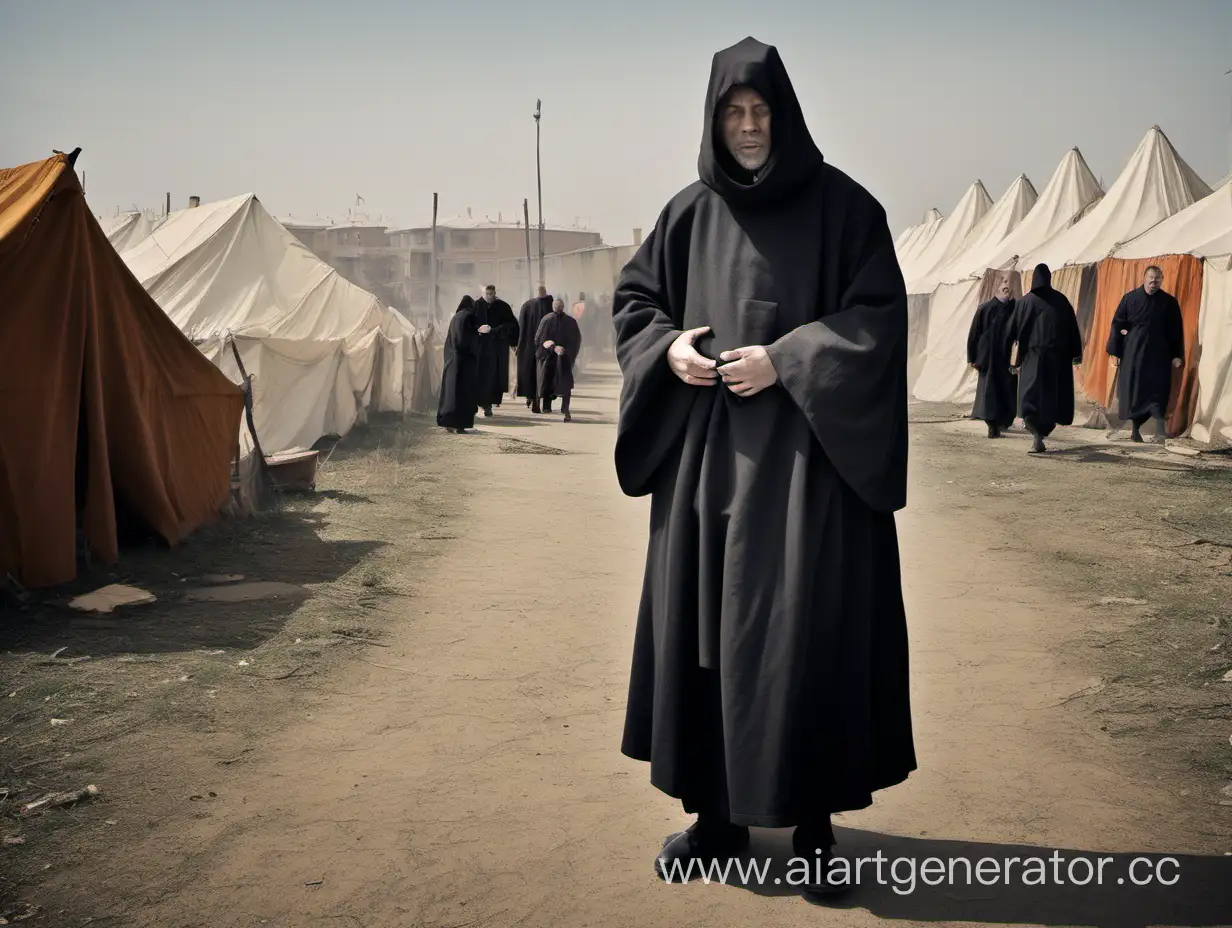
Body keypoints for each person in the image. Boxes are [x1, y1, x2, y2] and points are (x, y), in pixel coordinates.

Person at [611, 37, 915, 894]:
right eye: (733, 114)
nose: (748, 127)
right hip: (706, 468)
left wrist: (787, 359)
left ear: (784, 117)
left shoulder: (847, 211)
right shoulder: (686, 214)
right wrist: (667, 350)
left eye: (760, 112)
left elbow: (878, 320)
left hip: (810, 473)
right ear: (715, 121)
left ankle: (813, 825)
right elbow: (635, 304)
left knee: (805, 633)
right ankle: (715, 821)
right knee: (707, 636)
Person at [1004, 264, 1083, 454]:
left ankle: (1035, 435)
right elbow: (1072, 329)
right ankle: (1041, 434)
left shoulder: (1024, 302)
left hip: (1032, 357)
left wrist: (1010, 356)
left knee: (1031, 396)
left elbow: (1011, 330)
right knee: (1050, 398)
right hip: (1057, 358)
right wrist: (1075, 353)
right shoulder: (1061, 300)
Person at [1106, 266, 1184, 444]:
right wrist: (1116, 352)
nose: (1153, 282)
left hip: (1159, 357)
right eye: (1150, 277)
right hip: (1134, 355)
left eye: (1157, 279)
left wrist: (1176, 354)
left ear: (1161, 280)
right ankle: (1135, 431)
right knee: (1135, 392)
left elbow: (1176, 331)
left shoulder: (1169, 302)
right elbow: (1117, 323)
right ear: (1144, 278)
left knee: (1158, 391)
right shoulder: (1130, 298)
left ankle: (1160, 431)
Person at [966, 278, 1018, 437]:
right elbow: (974, 334)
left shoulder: (1014, 309)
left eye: (1008, 285)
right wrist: (972, 357)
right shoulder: (984, 308)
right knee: (990, 392)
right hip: (988, 358)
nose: (1006, 288)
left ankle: (1003, 421)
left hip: (1006, 358)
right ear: (996, 288)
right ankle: (992, 424)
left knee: (1006, 390)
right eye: (1003, 284)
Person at [436, 296, 480, 434]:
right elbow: (466, 340)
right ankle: (460, 425)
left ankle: (448, 422)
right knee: (463, 394)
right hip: (464, 362)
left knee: (450, 393)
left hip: (451, 361)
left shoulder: (455, 318)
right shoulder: (468, 317)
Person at [473, 285, 519, 416]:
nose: (489, 296)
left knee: (494, 377)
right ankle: (481, 403)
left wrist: (496, 331)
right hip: (481, 348)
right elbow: (470, 324)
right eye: (487, 294)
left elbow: (512, 325)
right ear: (483, 293)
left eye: (491, 294)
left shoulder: (503, 307)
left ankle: (489, 404)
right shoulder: (476, 306)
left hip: (497, 349)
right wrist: (479, 329)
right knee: (481, 376)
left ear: (495, 293)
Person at [534, 298, 582, 420]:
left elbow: (575, 340)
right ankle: (548, 406)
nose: (558, 308)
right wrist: (553, 348)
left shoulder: (569, 322)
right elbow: (540, 339)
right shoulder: (548, 320)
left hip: (562, 359)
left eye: (559, 305)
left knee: (561, 383)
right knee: (548, 382)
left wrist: (565, 352)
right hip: (550, 358)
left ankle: (564, 408)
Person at [516, 286, 554, 407]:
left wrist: (519, 344)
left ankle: (532, 397)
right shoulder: (551, 306)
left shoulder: (527, 305)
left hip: (530, 345)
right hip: (544, 346)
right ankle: (539, 400)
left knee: (532, 372)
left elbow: (521, 328)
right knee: (543, 373)